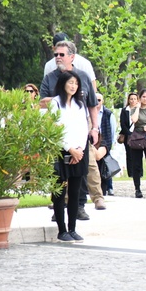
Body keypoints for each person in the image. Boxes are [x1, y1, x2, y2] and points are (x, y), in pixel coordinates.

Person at [41, 40, 101, 217]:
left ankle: (80, 205)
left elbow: (91, 104)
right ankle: (58, 207)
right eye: (56, 55)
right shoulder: (50, 77)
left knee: (81, 167)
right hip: (58, 129)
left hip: (81, 127)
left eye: (61, 55)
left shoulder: (83, 76)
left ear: (72, 57)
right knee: (58, 171)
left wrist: (95, 128)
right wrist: (61, 99)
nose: (58, 58)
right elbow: (42, 101)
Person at [49, 70, 90, 243]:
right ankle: (62, 230)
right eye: (70, 82)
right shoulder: (55, 103)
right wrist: (69, 148)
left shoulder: (81, 105)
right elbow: (55, 128)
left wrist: (79, 149)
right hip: (61, 151)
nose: (73, 86)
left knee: (75, 191)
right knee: (59, 192)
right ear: (63, 83)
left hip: (79, 152)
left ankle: (73, 228)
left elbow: (84, 128)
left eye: (76, 83)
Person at [96, 93, 116, 196]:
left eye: (99, 100)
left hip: (105, 142)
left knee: (105, 168)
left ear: (102, 101)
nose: (97, 102)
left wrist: (109, 145)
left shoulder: (108, 114)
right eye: (95, 100)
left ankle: (107, 188)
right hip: (93, 143)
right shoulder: (88, 112)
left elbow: (112, 131)